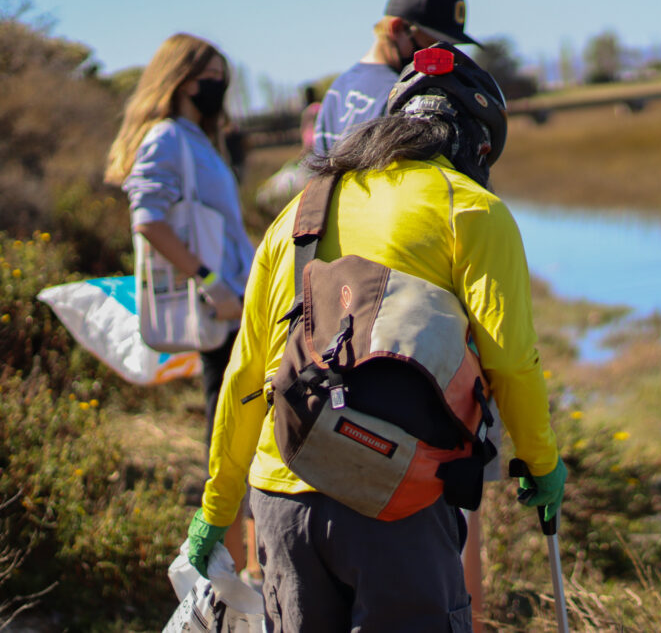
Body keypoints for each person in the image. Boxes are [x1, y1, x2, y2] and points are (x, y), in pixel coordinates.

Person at [185, 44, 566, 632]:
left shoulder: (298, 212)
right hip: (399, 502)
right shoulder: (469, 208)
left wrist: (215, 509)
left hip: (283, 498)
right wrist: (541, 465)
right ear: (477, 142)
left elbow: (243, 377)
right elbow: (510, 361)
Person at [104, 33, 256, 576]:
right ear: (183, 79)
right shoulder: (167, 137)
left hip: (240, 303)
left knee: (246, 440)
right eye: (209, 77)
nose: (218, 88)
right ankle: (231, 579)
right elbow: (147, 218)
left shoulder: (197, 138)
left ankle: (248, 573)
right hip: (224, 308)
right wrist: (210, 281)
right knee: (233, 447)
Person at [312, 0, 482, 156]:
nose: (441, 58)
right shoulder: (403, 96)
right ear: (397, 28)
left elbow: (319, 170)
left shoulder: (338, 89)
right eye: (431, 47)